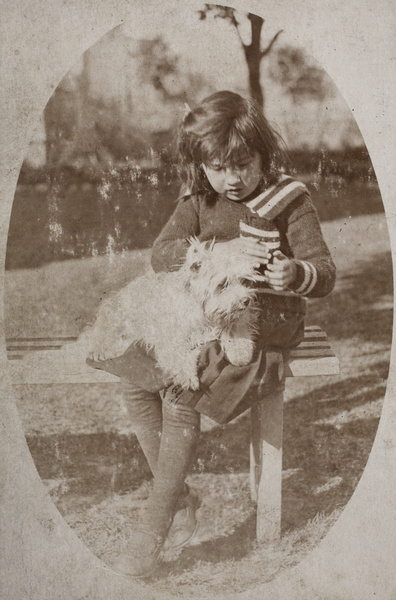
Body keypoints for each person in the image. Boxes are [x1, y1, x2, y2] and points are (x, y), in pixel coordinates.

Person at [107, 90, 336, 578]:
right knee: (133, 377)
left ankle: (153, 530)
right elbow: (160, 254)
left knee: (179, 388)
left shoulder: (287, 201)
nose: (231, 178)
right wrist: (218, 252)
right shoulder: (198, 201)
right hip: (205, 314)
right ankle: (182, 499)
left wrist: (294, 273)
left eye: (243, 164)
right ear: (200, 165)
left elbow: (325, 272)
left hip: (263, 318)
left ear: (263, 155)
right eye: (217, 166)